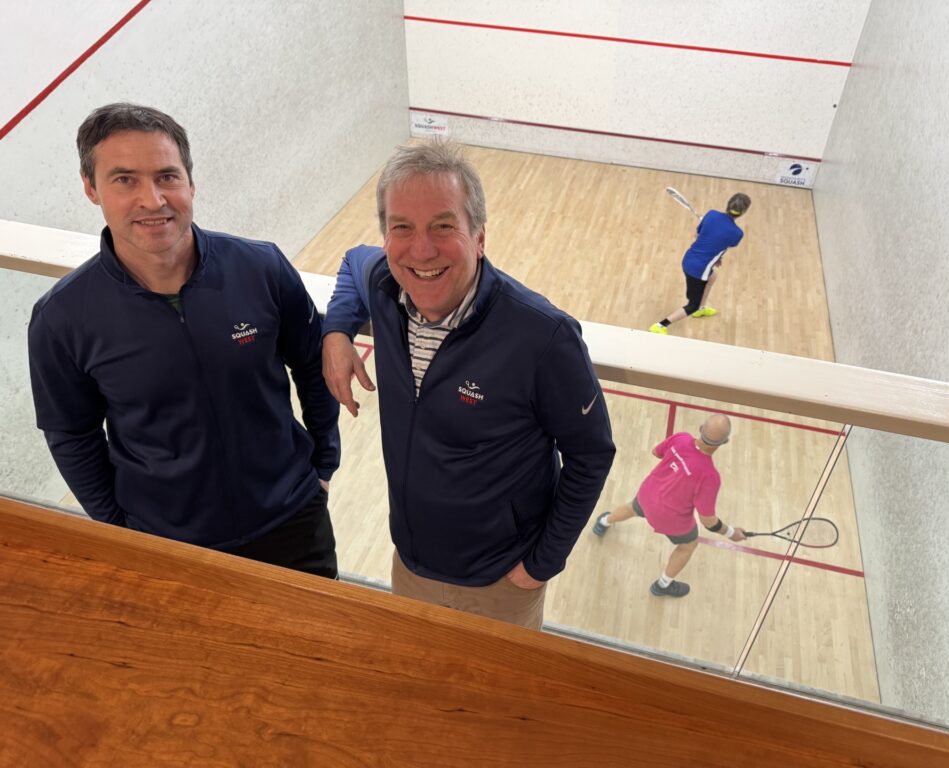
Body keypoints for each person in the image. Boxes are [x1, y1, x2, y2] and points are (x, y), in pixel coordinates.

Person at [27, 103, 341, 578]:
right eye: (125, 180)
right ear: (91, 188)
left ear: (191, 183)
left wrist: (323, 463)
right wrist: (119, 527)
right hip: (166, 546)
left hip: (293, 522)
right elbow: (71, 435)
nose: (153, 200)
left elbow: (314, 365)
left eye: (167, 177)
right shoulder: (61, 318)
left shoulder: (261, 268)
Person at [321, 140, 615, 629]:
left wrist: (539, 565)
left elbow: (592, 454)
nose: (420, 249)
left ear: (479, 236)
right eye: (402, 228)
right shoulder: (383, 283)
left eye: (443, 226)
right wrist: (336, 330)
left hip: (500, 583)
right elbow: (353, 260)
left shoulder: (543, 337)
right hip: (410, 563)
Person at [591, 414, 745, 597]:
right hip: (671, 520)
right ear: (724, 442)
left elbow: (656, 452)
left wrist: (678, 465)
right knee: (689, 544)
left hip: (648, 495)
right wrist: (730, 532)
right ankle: (663, 585)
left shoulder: (681, 438)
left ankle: (603, 522)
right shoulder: (710, 477)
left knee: (631, 507)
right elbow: (708, 521)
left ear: (700, 428)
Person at [648, 193, 751, 334]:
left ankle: (701, 309)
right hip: (698, 270)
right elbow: (725, 243)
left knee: (713, 277)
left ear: (728, 204)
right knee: (692, 305)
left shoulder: (711, 214)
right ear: (743, 212)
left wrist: (710, 229)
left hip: (688, 259)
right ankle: (661, 325)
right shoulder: (737, 233)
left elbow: (699, 235)